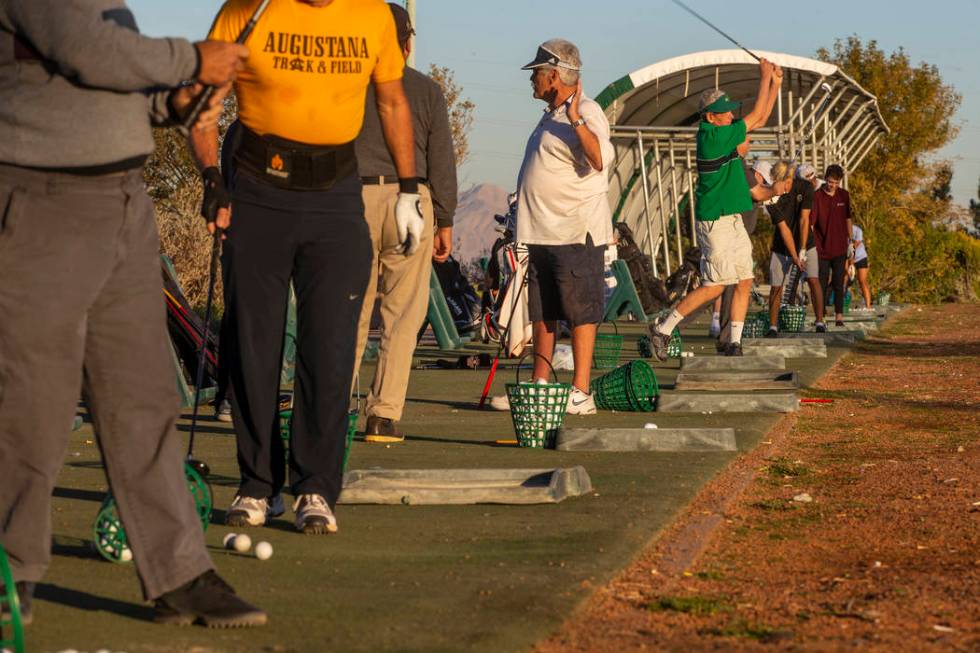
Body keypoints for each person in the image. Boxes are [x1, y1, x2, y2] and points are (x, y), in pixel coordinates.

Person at [0, 0, 267, 628]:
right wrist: (194, 59)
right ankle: (11, 572)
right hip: (41, 203)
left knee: (144, 401)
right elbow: (87, 51)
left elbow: (114, 82)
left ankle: (179, 574)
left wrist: (172, 102)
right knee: (31, 405)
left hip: (122, 201)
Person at [191, 0, 420, 535]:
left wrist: (410, 189)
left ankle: (315, 487)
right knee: (253, 343)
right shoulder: (247, 11)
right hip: (257, 189)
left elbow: (391, 102)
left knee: (331, 347)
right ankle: (256, 485)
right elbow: (205, 108)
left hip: (335, 197)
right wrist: (209, 176)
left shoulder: (371, 16)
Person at [491, 39, 614, 414]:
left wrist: (576, 118)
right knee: (542, 311)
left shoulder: (587, 111)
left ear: (555, 76)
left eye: (538, 74)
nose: (532, 80)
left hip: (575, 230)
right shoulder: (550, 113)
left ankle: (581, 392)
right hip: (542, 230)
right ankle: (540, 385)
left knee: (579, 310)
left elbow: (598, 159)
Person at [352, 3, 457, 443]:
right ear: (408, 43)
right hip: (410, 200)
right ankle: (384, 415)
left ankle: (331, 407)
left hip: (350, 199)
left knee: (347, 312)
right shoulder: (426, 90)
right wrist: (445, 218)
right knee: (402, 314)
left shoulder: (347, 85)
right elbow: (441, 160)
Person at [647, 59, 783, 358]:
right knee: (715, 285)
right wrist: (764, 78)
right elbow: (758, 115)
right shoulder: (711, 136)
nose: (732, 114)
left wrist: (775, 83)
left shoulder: (723, 134)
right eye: (726, 111)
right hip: (715, 221)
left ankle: (733, 341)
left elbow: (760, 119)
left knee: (745, 279)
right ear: (710, 116)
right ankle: (663, 328)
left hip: (731, 219)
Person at [715, 158, 792, 349]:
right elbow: (758, 195)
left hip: (740, 243)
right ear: (756, 175)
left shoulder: (754, 184)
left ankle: (730, 338)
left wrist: (775, 192)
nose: (764, 185)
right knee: (720, 289)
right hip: (731, 242)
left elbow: (765, 198)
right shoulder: (746, 181)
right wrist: (773, 191)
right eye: (763, 181)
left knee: (736, 288)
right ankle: (726, 337)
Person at [765, 162, 823, 335]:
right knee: (776, 286)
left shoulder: (805, 187)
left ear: (789, 179)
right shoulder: (770, 197)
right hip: (781, 245)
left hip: (807, 243)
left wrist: (803, 249)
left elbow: (804, 219)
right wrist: (795, 256)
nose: (783, 187)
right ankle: (773, 327)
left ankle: (820, 322)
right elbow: (784, 229)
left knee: (813, 279)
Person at [811, 164, 853, 326]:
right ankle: (820, 317)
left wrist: (851, 242)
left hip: (840, 247)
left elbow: (848, 219)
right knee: (821, 282)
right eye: (830, 182)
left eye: (835, 183)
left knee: (838, 282)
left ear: (840, 182)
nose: (832, 185)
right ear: (826, 179)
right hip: (821, 248)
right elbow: (811, 223)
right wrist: (807, 245)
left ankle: (839, 316)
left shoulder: (844, 196)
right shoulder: (817, 196)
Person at [848, 222, 872, 309]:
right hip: (848, 259)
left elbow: (854, 246)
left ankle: (868, 306)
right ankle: (841, 306)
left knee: (862, 281)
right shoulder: (839, 230)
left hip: (860, 258)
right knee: (844, 279)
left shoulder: (858, 230)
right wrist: (850, 263)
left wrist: (852, 262)